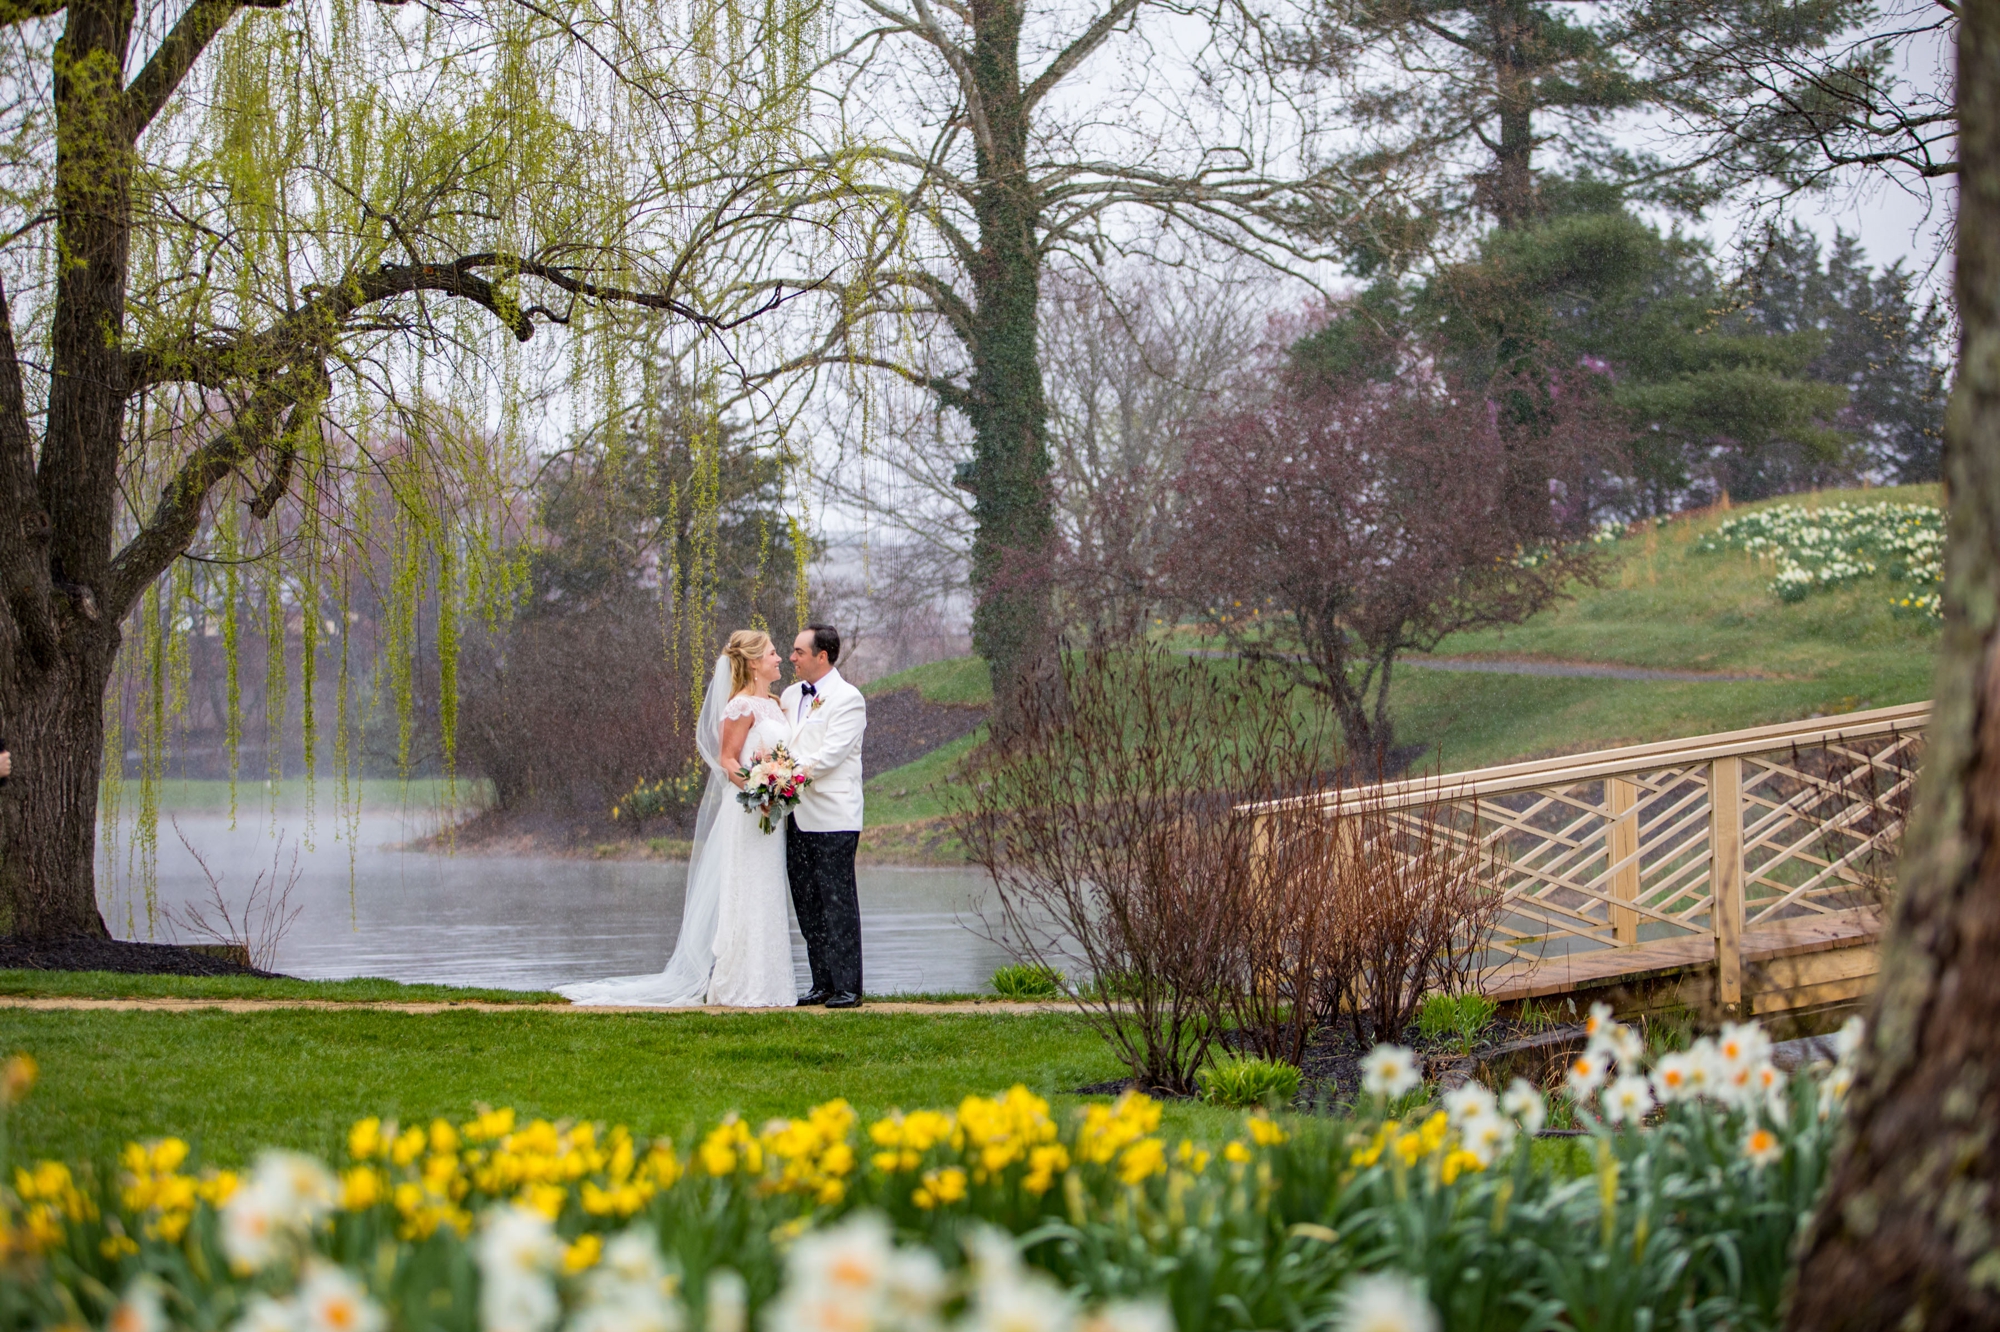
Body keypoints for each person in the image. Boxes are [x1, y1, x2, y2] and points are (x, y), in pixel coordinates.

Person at [557, 630, 799, 1007]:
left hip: (771, 817)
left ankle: (771, 985)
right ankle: (740, 985)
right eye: (772, 653)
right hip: (750, 811)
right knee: (746, 891)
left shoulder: (773, 703)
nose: (779, 658)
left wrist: (779, 787)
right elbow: (728, 759)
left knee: (767, 891)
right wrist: (758, 790)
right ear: (753, 662)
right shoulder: (739, 706)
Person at [780, 623, 867, 1008]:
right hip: (796, 817)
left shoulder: (848, 699)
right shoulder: (788, 696)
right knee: (807, 902)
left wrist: (783, 776)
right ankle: (822, 983)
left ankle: (849, 987)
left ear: (822, 656)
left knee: (838, 902)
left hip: (834, 818)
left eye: (799, 652)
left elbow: (830, 756)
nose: (792, 658)